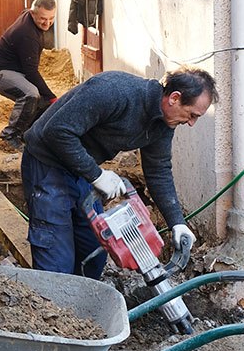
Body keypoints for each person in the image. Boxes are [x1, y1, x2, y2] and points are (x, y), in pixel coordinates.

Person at [21, 67, 218, 277]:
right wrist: (96, 175)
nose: (191, 123)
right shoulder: (114, 91)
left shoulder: (162, 124)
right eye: (192, 115)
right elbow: (56, 131)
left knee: (93, 253)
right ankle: (54, 306)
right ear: (174, 98)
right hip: (47, 164)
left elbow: (158, 171)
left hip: (81, 169)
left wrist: (177, 222)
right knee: (57, 262)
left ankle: (83, 307)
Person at [0, 0, 57, 149]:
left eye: (51, 18)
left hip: (17, 70)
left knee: (41, 101)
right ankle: (9, 136)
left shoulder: (30, 18)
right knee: (31, 94)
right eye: (43, 19)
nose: (47, 23)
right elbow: (31, 72)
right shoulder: (27, 34)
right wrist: (52, 97)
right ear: (32, 14)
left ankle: (28, 135)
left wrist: (47, 99)